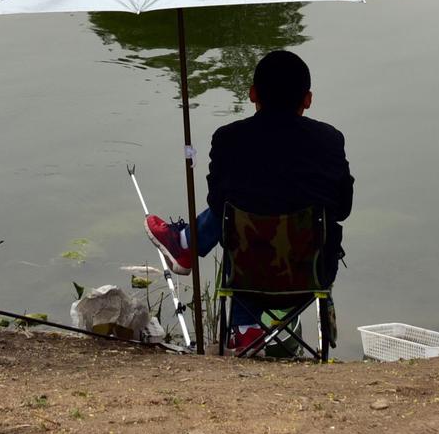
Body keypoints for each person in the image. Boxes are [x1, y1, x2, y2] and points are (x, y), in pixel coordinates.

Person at [144, 50, 353, 340]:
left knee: (235, 215)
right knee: (249, 215)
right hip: (310, 274)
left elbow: (217, 204)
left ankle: (190, 247)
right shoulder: (330, 140)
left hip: (245, 274)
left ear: (252, 93)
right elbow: (342, 208)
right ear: (308, 99)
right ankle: (187, 245)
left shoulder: (227, 138)